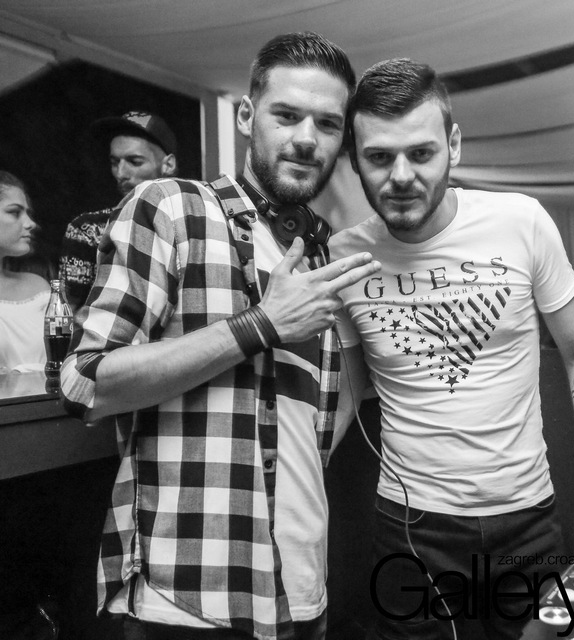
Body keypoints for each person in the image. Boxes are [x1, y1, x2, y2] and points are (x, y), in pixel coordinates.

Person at [59, 32, 381, 640]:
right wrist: (260, 325)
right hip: (189, 594)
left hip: (301, 590)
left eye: (327, 124)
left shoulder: (318, 254)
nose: (306, 138)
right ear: (246, 115)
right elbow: (85, 383)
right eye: (286, 115)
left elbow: (319, 419)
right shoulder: (172, 208)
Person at [329, 58, 574, 640]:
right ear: (355, 160)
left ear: (454, 146)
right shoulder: (344, 257)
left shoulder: (522, 222)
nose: (401, 175)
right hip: (409, 526)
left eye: (421, 153)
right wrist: (296, 482)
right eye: (379, 157)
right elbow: (350, 389)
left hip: (526, 519)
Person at [58, 110, 179, 311]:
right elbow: (66, 312)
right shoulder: (88, 230)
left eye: (134, 162)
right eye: (115, 163)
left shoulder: (191, 225)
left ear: (168, 165)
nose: (121, 173)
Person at [0, 171, 48, 374]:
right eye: (14, 212)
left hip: (46, 393)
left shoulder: (38, 288)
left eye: (27, 213)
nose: (30, 223)